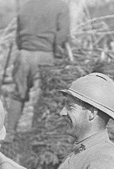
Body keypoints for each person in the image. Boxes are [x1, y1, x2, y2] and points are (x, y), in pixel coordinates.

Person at [5, 0, 72, 136]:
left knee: (18, 94)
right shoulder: (60, 6)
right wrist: (58, 55)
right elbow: (62, 34)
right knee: (43, 97)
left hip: (24, 55)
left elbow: (18, 36)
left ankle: (9, 133)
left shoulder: (26, 6)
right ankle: (37, 134)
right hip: (45, 56)